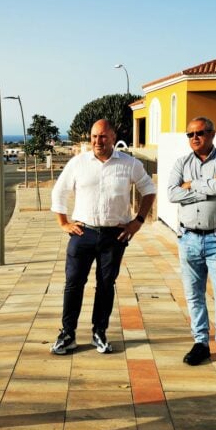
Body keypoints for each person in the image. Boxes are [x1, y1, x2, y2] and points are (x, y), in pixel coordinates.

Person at [49, 119, 156, 355]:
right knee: (73, 284)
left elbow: (149, 189)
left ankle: (100, 331)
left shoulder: (129, 164)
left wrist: (137, 221)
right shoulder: (78, 163)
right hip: (82, 232)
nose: (98, 141)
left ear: (113, 137)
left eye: (103, 136)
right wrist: (64, 223)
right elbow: (60, 191)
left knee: (106, 285)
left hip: (114, 235)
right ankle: (68, 334)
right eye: (94, 136)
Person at [167, 116, 216, 381]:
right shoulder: (182, 163)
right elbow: (172, 193)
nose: (195, 138)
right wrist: (207, 188)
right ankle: (201, 343)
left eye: (200, 133)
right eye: (190, 134)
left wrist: (190, 186)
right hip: (188, 238)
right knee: (193, 295)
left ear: (212, 134)